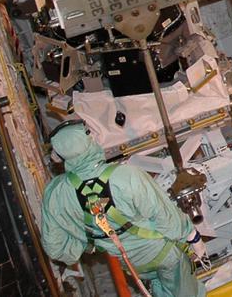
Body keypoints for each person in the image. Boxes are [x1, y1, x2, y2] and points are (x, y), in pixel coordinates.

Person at [41, 121, 207, 297]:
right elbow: (165, 216)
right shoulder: (126, 175)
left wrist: (91, 244)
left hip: (133, 265)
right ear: (89, 141)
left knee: (161, 290)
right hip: (165, 254)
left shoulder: (55, 193)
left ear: (57, 156)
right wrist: (194, 238)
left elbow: (55, 247)